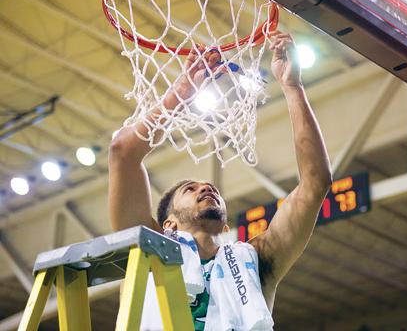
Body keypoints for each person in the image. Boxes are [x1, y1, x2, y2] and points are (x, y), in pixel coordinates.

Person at [108, 31, 332, 329]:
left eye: (210, 188)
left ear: (226, 227)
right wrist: (183, 91)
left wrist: (292, 87)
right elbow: (122, 153)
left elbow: (315, 184)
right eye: (191, 190)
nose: (205, 188)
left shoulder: (258, 258)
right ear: (168, 225)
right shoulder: (147, 252)